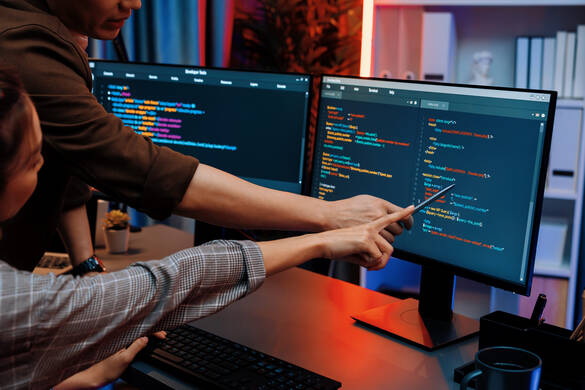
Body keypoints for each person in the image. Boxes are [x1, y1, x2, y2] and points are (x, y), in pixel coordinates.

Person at [0, 67, 415, 389]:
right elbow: (170, 282)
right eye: (37, 159)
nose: (48, 170)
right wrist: (321, 238)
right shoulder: (16, 303)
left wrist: (67, 380)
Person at [0, 0, 413, 273]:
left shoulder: (33, 27)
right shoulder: (23, 45)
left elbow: (68, 158)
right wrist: (327, 218)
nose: (135, 4)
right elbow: (134, 164)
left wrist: (86, 264)